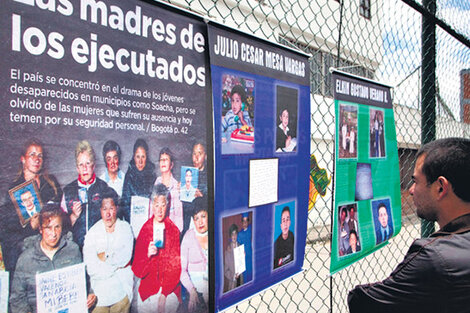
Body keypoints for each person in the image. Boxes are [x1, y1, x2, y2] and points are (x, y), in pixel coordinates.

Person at [348, 137, 470, 312]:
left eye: (416, 181)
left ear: (440, 188)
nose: (411, 190)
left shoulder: (434, 258)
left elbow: (363, 302)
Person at [10, 206, 96, 313]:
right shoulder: (25, 259)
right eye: (48, 228)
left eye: (57, 227)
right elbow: (17, 298)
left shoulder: (73, 250)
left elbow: (84, 280)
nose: (53, 233)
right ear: (40, 229)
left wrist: (90, 294)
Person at [0, 139, 62, 274]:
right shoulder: (14, 189)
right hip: (28, 246)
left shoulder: (50, 183)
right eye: (32, 155)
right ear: (23, 159)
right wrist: (30, 227)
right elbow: (7, 227)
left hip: (52, 239)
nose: (36, 159)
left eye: (40, 155)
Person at [132, 184, 181, 313]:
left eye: (163, 205)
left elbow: (175, 268)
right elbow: (137, 270)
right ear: (151, 205)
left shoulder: (174, 231)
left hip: (169, 288)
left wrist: (164, 294)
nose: (159, 210)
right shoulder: (145, 230)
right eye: (156, 205)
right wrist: (147, 255)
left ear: (168, 206)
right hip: (148, 288)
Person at [83, 188, 134, 313]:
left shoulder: (125, 228)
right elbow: (91, 268)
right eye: (104, 209)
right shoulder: (92, 233)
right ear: (100, 210)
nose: (108, 214)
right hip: (99, 291)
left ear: (116, 208)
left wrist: (105, 255)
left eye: (111, 208)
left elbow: (124, 258)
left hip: (121, 288)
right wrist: (114, 266)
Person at [61, 140, 111, 249]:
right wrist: (73, 216)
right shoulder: (68, 190)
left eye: (88, 163)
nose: (84, 168)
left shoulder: (104, 188)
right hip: (75, 249)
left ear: (93, 166)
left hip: (99, 247)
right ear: (77, 168)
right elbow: (60, 228)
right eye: (81, 164)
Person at [180, 197, 208, 312]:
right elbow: (181, 270)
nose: (200, 222)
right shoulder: (188, 237)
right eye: (196, 218)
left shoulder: (215, 232)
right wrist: (192, 290)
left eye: (203, 216)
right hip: (196, 294)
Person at [120, 139, 156, 225]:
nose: (140, 161)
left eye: (143, 156)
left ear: (146, 157)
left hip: (148, 222)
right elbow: (125, 204)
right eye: (138, 156)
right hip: (133, 222)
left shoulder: (152, 175)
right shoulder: (129, 176)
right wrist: (134, 221)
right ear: (134, 157)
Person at [154, 147, 183, 232]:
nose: (163, 162)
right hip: (157, 231)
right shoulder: (156, 183)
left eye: (166, 159)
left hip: (172, 232)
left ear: (171, 164)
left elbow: (178, 216)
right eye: (161, 159)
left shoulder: (176, 186)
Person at [224, 224, 243, 292]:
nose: (234, 236)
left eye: (235, 234)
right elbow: (225, 271)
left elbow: (243, 265)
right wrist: (233, 276)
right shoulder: (227, 252)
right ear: (230, 236)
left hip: (241, 281)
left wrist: (244, 257)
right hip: (233, 284)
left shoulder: (241, 247)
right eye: (232, 234)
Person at [237, 213, 252, 282]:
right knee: (246, 278)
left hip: (252, 256)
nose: (245, 223)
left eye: (246, 221)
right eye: (243, 221)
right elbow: (236, 244)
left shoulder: (251, 229)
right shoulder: (240, 234)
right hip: (245, 258)